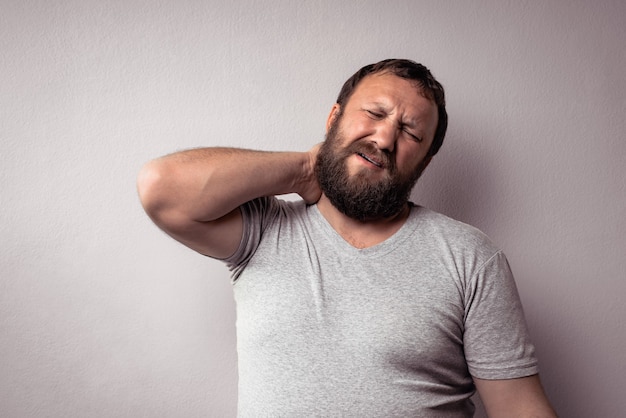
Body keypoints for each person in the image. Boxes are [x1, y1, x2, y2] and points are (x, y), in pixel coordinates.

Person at [137, 59, 557, 417]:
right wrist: (304, 169)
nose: (386, 138)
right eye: (374, 113)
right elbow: (161, 187)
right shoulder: (264, 230)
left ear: (425, 162)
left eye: (411, 133)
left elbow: (519, 409)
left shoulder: (470, 257)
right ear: (334, 118)